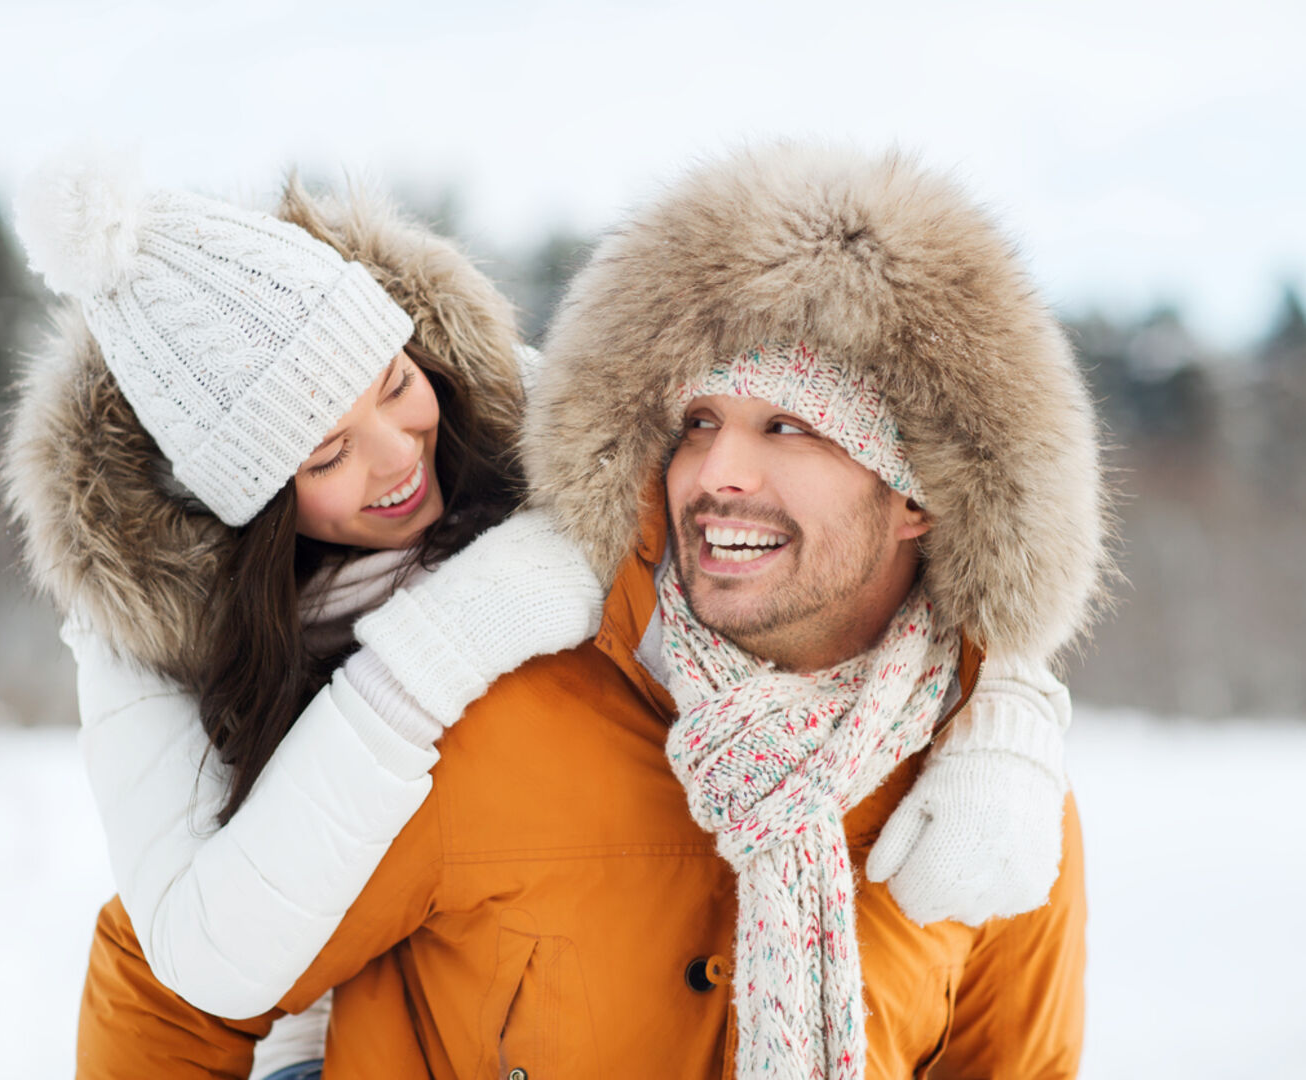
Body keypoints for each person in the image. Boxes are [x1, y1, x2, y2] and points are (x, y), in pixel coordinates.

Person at [55, 142, 1108, 1079]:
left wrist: (1008, 691)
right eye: (696, 420)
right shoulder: (481, 717)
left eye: (790, 428)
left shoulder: (987, 802)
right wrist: (422, 660)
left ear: (924, 491)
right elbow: (179, 970)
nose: (718, 470)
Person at [1, 154, 604, 1076]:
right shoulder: (151, 624)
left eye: (397, 383)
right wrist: (437, 650)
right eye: (327, 457)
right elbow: (210, 954)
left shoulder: (542, 443)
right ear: (254, 501)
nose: (400, 454)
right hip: (323, 1035)